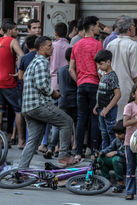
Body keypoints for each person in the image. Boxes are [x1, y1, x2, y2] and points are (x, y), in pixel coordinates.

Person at [19, 36, 75, 168]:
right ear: (41, 47)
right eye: (49, 46)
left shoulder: (34, 61)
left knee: (34, 140)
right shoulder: (41, 62)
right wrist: (53, 93)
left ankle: (21, 170)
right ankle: (63, 155)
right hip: (38, 105)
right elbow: (42, 85)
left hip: (28, 107)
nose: (52, 48)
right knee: (66, 121)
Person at [69, 16, 103, 161]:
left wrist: (80, 81)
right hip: (94, 84)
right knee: (94, 117)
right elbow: (99, 68)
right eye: (97, 25)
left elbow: (71, 69)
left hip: (81, 85)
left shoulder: (76, 45)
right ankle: (94, 151)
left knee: (81, 118)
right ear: (92, 27)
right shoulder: (97, 45)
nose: (99, 28)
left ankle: (78, 152)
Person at [107, 16, 137, 121]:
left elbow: (102, 72)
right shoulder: (133, 46)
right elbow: (136, 74)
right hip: (128, 92)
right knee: (127, 124)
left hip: (111, 92)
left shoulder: (110, 45)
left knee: (113, 125)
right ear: (131, 29)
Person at [44, 47, 77, 159]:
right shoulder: (75, 70)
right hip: (74, 101)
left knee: (58, 125)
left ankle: (51, 147)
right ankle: (70, 147)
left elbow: (58, 84)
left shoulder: (61, 70)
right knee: (72, 125)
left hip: (62, 100)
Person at [0, 21, 25, 148]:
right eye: (15, 29)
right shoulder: (12, 41)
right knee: (18, 109)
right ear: (9, 31)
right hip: (9, 80)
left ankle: (0, 141)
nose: (18, 32)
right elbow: (22, 55)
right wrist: (19, 71)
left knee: (0, 110)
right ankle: (21, 140)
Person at [48, 22, 71, 154]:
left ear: (55, 33)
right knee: (63, 117)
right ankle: (57, 147)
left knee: (53, 117)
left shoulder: (51, 47)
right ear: (66, 33)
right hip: (66, 85)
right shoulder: (70, 46)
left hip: (53, 84)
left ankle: (50, 145)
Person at [93, 49, 121, 150]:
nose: (99, 67)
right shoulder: (104, 75)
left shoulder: (112, 76)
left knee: (111, 133)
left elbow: (117, 94)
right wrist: (97, 105)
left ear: (108, 62)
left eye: (101, 64)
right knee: (104, 133)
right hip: (101, 109)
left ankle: (113, 152)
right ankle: (104, 153)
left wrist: (107, 109)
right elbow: (101, 92)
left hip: (109, 111)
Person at [97, 119, 126, 193]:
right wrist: (101, 153)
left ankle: (120, 182)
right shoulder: (117, 139)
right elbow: (109, 148)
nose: (117, 135)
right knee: (100, 159)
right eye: (116, 133)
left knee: (115, 159)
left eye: (119, 134)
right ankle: (107, 181)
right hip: (118, 162)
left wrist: (116, 152)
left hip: (126, 163)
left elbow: (128, 155)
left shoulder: (131, 139)